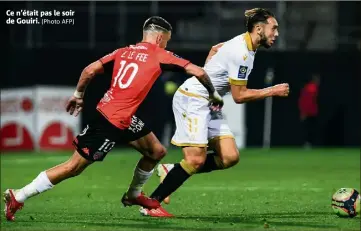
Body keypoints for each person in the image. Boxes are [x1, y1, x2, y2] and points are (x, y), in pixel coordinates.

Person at [3, 16, 223, 222]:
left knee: (156, 151)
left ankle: (133, 195)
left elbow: (90, 70)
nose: (166, 45)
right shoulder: (159, 53)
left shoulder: (122, 51)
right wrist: (213, 94)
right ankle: (19, 195)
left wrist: (78, 95)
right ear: (159, 37)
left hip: (122, 116)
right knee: (73, 167)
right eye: (166, 41)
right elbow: (199, 72)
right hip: (109, 122)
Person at [139, 8, 290, 217]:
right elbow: (239, 96)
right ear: (258, 29)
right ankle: (150, 205)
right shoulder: (242, 53)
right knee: (195, 160)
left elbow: (215, 50)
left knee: (229, 157)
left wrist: (210, 70)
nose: (277, 34)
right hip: (192, 99)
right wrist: (273, 90)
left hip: (209, 102)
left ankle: (171, 171)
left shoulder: (244, 43)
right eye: (274, 28)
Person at [298, 73, 320, 147]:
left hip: (311, 112)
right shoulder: (311, 88)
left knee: (310, 128)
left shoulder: (311, 87)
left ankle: (309, 143)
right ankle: (308, 143)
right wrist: (304, 112)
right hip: (310, 112)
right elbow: (306, 101)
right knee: (309, 129)